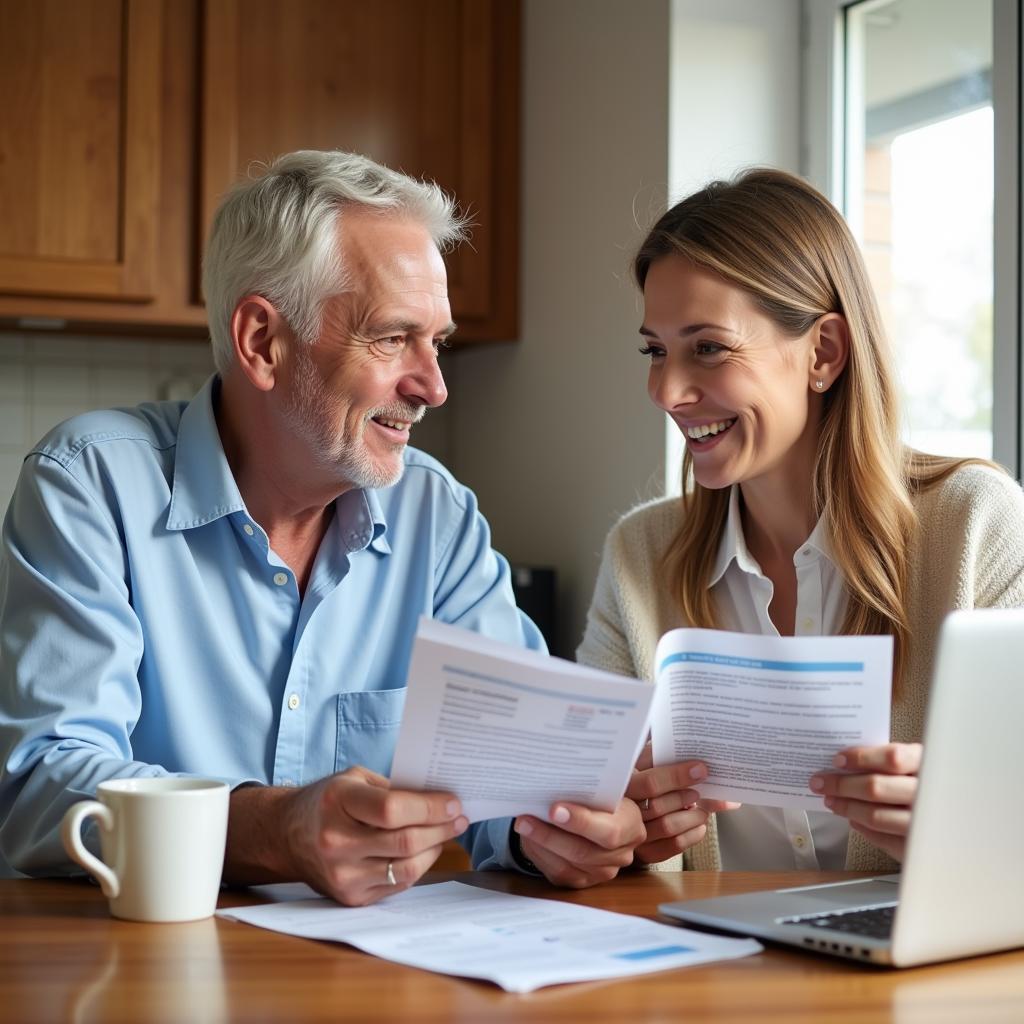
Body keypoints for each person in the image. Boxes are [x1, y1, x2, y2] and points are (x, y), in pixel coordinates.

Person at [0, 150, 642, 902]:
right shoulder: (91, 484)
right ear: (262, 342)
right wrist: (275, 829)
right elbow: (42, 783)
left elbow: (511, 781)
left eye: (436, 342)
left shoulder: (437, 515)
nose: (432, 385)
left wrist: (560, 832)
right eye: (393, 337)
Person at [578, 168, 1024, 873]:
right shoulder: (641, 553)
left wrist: (967, 829)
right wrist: (610, 827)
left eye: (708, 348)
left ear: (823, 354)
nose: (665, 390)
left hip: (908, 975)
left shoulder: (976, 528)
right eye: (655, 350)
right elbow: (582, 811)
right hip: (699, 975)